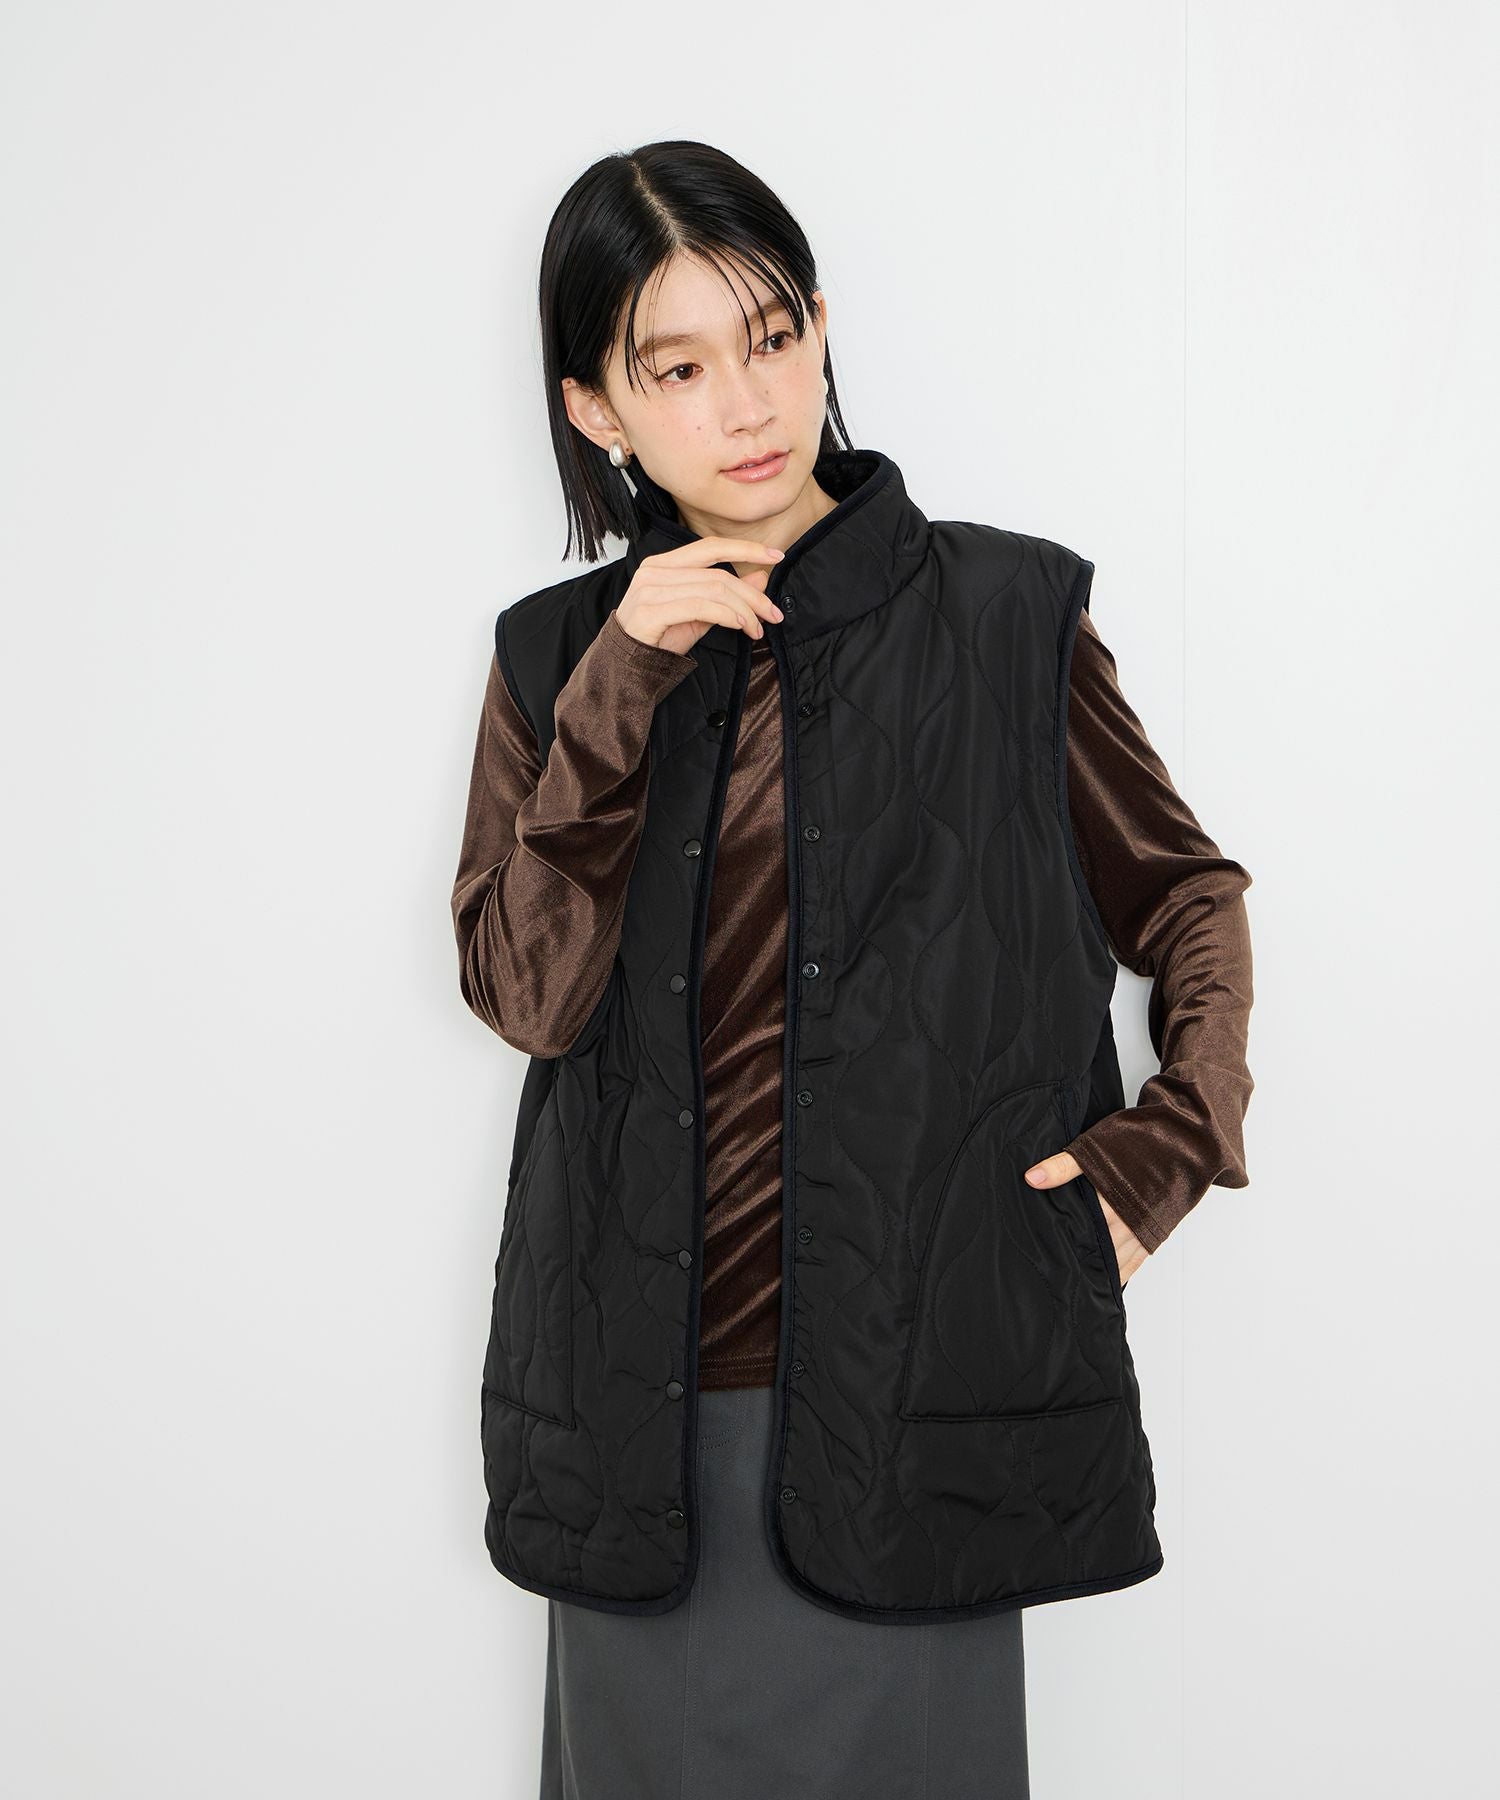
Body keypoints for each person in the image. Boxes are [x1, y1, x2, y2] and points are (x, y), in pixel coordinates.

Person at [451, 140, 1255, 1800]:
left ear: (820, 326)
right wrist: (620, 686)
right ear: (598, 409)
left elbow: (1186, 897)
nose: (748, 403)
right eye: (678, 368)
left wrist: (1169, 1146)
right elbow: (528, 995)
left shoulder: (1005, 614)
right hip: (639, 1422)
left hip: (921, 1388)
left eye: (770, 337)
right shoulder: (556, 656)